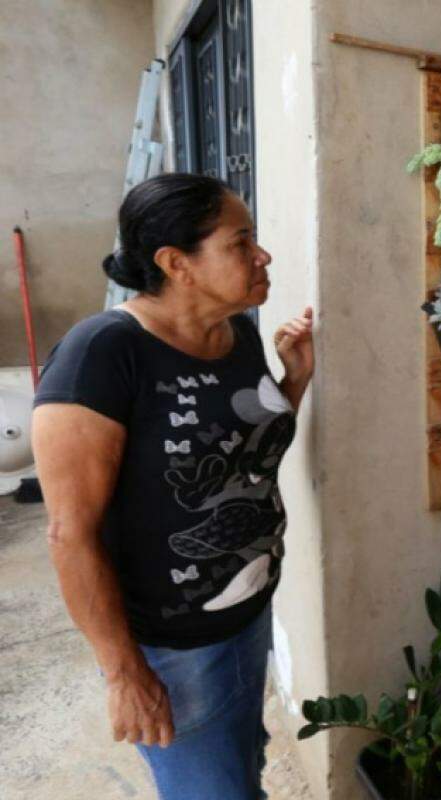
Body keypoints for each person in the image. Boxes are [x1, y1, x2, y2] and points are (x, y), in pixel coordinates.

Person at [31, 173, 315, 800]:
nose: (262, 255)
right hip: (173, 645)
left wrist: (292, 382)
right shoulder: (102, 355)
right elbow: (68, 533)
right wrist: (123, 674)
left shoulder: (236, 332)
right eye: (242, 243)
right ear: (176, 263)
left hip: (248, 610)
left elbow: (248, 459)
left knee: (241, 765)